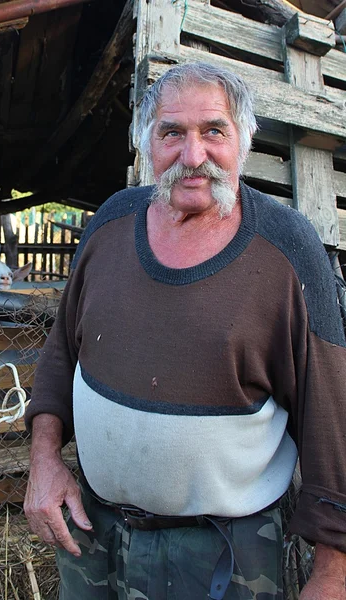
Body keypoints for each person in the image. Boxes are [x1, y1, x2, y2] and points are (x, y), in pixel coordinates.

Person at [24, 62, 346, 599]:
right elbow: (62, 352)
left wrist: (333, 571)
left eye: (213, 131)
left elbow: (332, 413)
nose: (192, 156)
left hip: (225, 552)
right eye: (172, 132)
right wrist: (44, 459)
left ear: (242, 140)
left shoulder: (287, 250)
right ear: (147, 142)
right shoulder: (110, 225)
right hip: (92, 532)